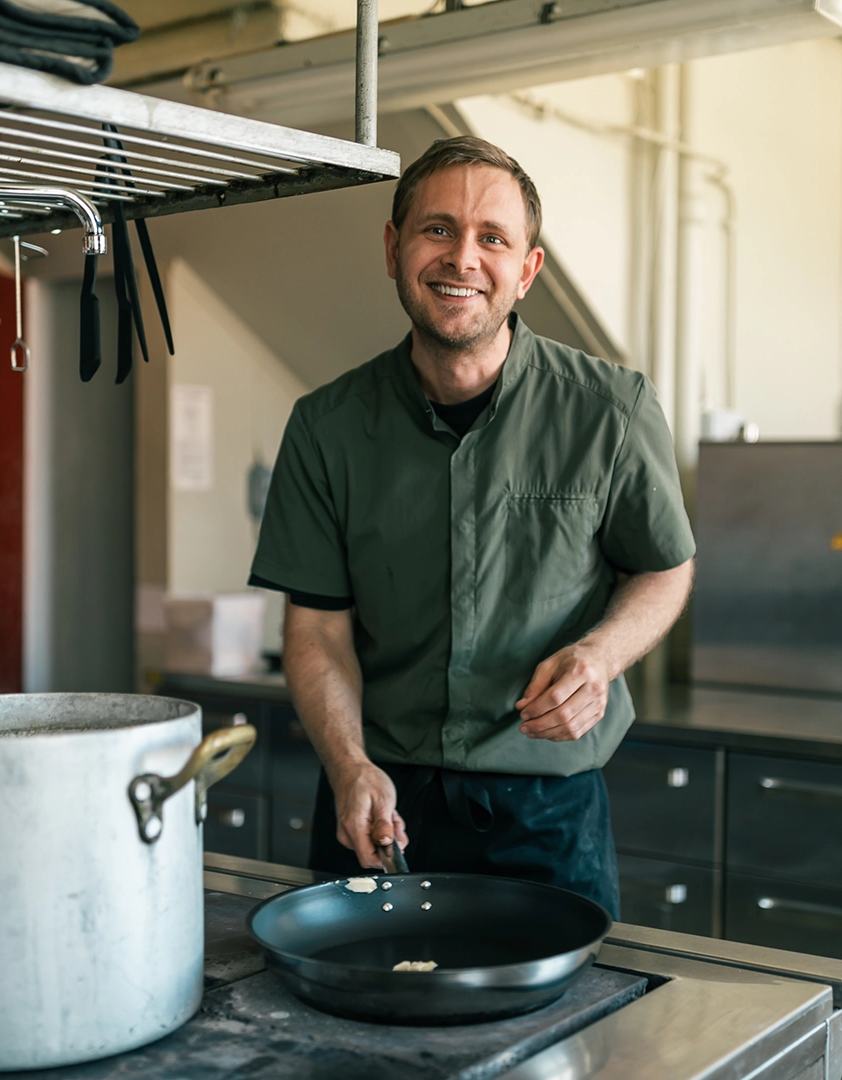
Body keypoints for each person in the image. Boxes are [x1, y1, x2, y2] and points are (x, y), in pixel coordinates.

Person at [248, 136, 694, 915]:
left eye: (493, 238)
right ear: (393, 247)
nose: (462, 258)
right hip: (376, 802)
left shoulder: (612, 411)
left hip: (546, 817)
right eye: (438, 229)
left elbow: (664, 567)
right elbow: (317, 627)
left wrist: (599, 658)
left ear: (527, 270)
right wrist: (349, 766)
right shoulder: (326, 427)